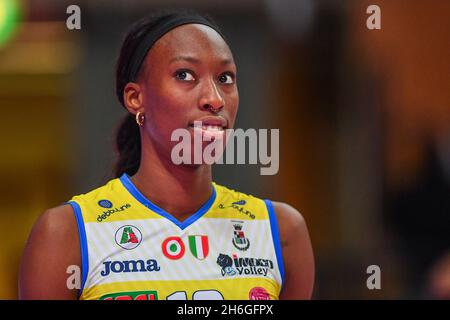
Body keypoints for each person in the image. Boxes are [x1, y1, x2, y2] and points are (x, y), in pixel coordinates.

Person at [18, 9, 314, 300]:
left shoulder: (281, 231)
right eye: (185, 75)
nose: (214, 98)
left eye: (225, 78)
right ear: (136, 98)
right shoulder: (67, 232)